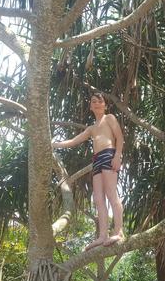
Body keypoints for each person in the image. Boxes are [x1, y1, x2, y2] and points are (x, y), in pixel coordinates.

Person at [52, 93, 125, 250]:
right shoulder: (91, 128)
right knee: (98, 199)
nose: (97, 103)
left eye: (100, 101)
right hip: (97, 160)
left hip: (109, 154)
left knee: (112, 194)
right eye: (94, 102)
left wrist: (117, 156)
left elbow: (119, 137)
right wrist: (53, 144)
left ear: (105, 105)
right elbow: (73, 141)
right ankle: (103, 235)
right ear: (91, 106)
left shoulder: (110, 118)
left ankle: (119, 231)